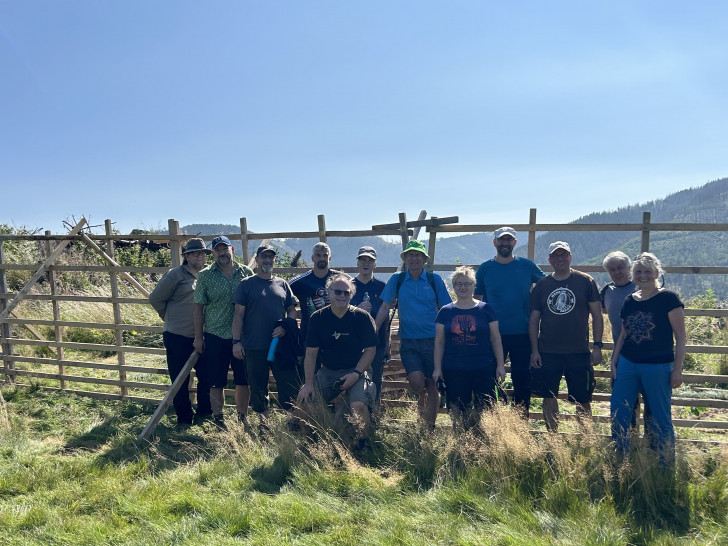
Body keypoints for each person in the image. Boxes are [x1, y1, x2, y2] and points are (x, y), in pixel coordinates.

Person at [610, 252, 685, 464]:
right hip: (628, 363)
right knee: (619, 410)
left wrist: (677, 369)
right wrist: (614, 362)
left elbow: (680, 336)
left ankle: (665, 465)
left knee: (660, 416)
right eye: (638, 272)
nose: (643, 275)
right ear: (633, 275)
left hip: (658, 366)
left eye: (647, 271)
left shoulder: (668, 299)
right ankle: (621, 459)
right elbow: (623, 335)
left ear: (657, 273)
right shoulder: (630, 300)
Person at [375, 239, 452, 429]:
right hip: (408, 341)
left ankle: (428, 427)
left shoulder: (435, 280)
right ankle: (425, 410)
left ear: (424, 258)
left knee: (432, 384)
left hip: (433, 341)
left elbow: (446, 309)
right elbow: (385, 307)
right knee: (417, 383)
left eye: (417, 255)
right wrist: (372, 331)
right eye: (410, 255)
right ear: (405, 258)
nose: (414, 258)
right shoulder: (398, 279)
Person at [296, 274, 378, 448]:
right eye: (338, 292)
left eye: (346, 293)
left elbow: (370, 350)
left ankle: (363, 443)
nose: (342, 296)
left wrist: (356, 374)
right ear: (329, 293)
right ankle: (308, 442)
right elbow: (310, 353)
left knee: (358, 405)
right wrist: (308, 383)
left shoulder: (361, 317)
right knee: (304, 403)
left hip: (357, 369)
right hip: (328, 371)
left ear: (351, 295)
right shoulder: (317, 318)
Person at [529, 241, 603, 432]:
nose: (560, 259)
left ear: (570, 257)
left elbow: (597, 315)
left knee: (583, 398)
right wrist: (535, 351)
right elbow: (533, 320)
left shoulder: (586, 281)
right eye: (556, 256)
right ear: (549, 260)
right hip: (547, 351)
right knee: (548, 396)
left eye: (564, 255)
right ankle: (553, 438)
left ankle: (585, 439)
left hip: (579, 351)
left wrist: (597, 346)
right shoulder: (542, 286)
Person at [474, 226, 545, 416]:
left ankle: (520, 422)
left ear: (514, 242)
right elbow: (475, 300)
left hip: (523, 332)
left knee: (522, 379)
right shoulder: (485, 268)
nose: (505, 243)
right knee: (490, 379)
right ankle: (494, 420)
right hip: (492, 333)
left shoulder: (527, 265)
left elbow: (546, 286)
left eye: (509, 240)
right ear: (494, 242)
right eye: (501, 240)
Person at [232, 244, 300, 428]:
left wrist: (285, 327)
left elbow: (292, 311)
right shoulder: (246, 284)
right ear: (257, 259)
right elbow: (238, 315)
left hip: (279, 345)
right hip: (253, 345)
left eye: (271, 257)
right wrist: (236, 341)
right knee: (258, 385)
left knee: (288, 381)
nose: (267, 260)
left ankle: (292, 420)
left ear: (274, 260)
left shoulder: (282, 284)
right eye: (264, 257)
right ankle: (264, 422)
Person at [148, 237, 212, 425]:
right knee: (180, 380)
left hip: (202, 336)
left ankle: (204, 413)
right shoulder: (175, 275)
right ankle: (184, 418)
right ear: (187, 256)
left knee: (206, 376)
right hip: (177, 336)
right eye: (195, 253)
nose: (200, 257)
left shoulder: (207, 275)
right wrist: (169, 318)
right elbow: (156, 299)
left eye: (202, 253)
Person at [433, 266, 506, 430]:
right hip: (454, 368)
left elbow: (495, 338)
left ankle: (483, 441)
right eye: (459, 284)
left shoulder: (485, 309)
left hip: (483, 367)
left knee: (486, 408)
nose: (463, 287)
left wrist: (500, 365)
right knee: (458, 409)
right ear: (454, 286)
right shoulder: (445, 312)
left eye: (467, 284)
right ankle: (461, 442)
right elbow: (439, 342)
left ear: (474, 286)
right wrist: (437, 369)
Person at [193, 235, 254, 428]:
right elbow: (198, 307)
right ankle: (218, 418)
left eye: (224, 249)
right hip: (215, 334)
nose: (222, 253)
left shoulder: (247, 273)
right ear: (213, 253)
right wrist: (198, 337)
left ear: (232, 250)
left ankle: (242, 417)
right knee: (216, 380)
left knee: (242, 379)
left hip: (242, 336)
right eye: (217, 250)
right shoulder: (205, 275)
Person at [601, 251, 651, 434]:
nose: (617, 272)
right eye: (612, 269)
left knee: (650, 399)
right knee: (624, 400)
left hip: (649, 353)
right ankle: (629, 436)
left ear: (629, 268)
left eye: (621, 267)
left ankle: (651, 441)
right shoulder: (607, 291)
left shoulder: (642, 287)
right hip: (622, 354)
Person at [289, 242, 341, 377]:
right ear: (313, 258)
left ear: (330, 258)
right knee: (308, 376)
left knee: (336, 374)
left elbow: (354, 295)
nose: (322, 258)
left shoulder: (340, 279)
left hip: (336, 333)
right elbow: (282, 294)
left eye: (325, 255)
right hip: (309, 334)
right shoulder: (301, 281)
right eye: (318, 255)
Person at [349, 246, 389, 414]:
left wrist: (387, 344)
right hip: (352, 345)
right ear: (357, 262)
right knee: (352, 379)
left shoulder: (382, 286)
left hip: (376, 344)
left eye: (370, 260)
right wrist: (356, 308)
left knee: (375, 382)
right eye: (362, 260)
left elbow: (386, 316)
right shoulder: (348, 285)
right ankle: (353, 418)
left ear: (375, 264)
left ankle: (373, 419)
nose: (366, 263)